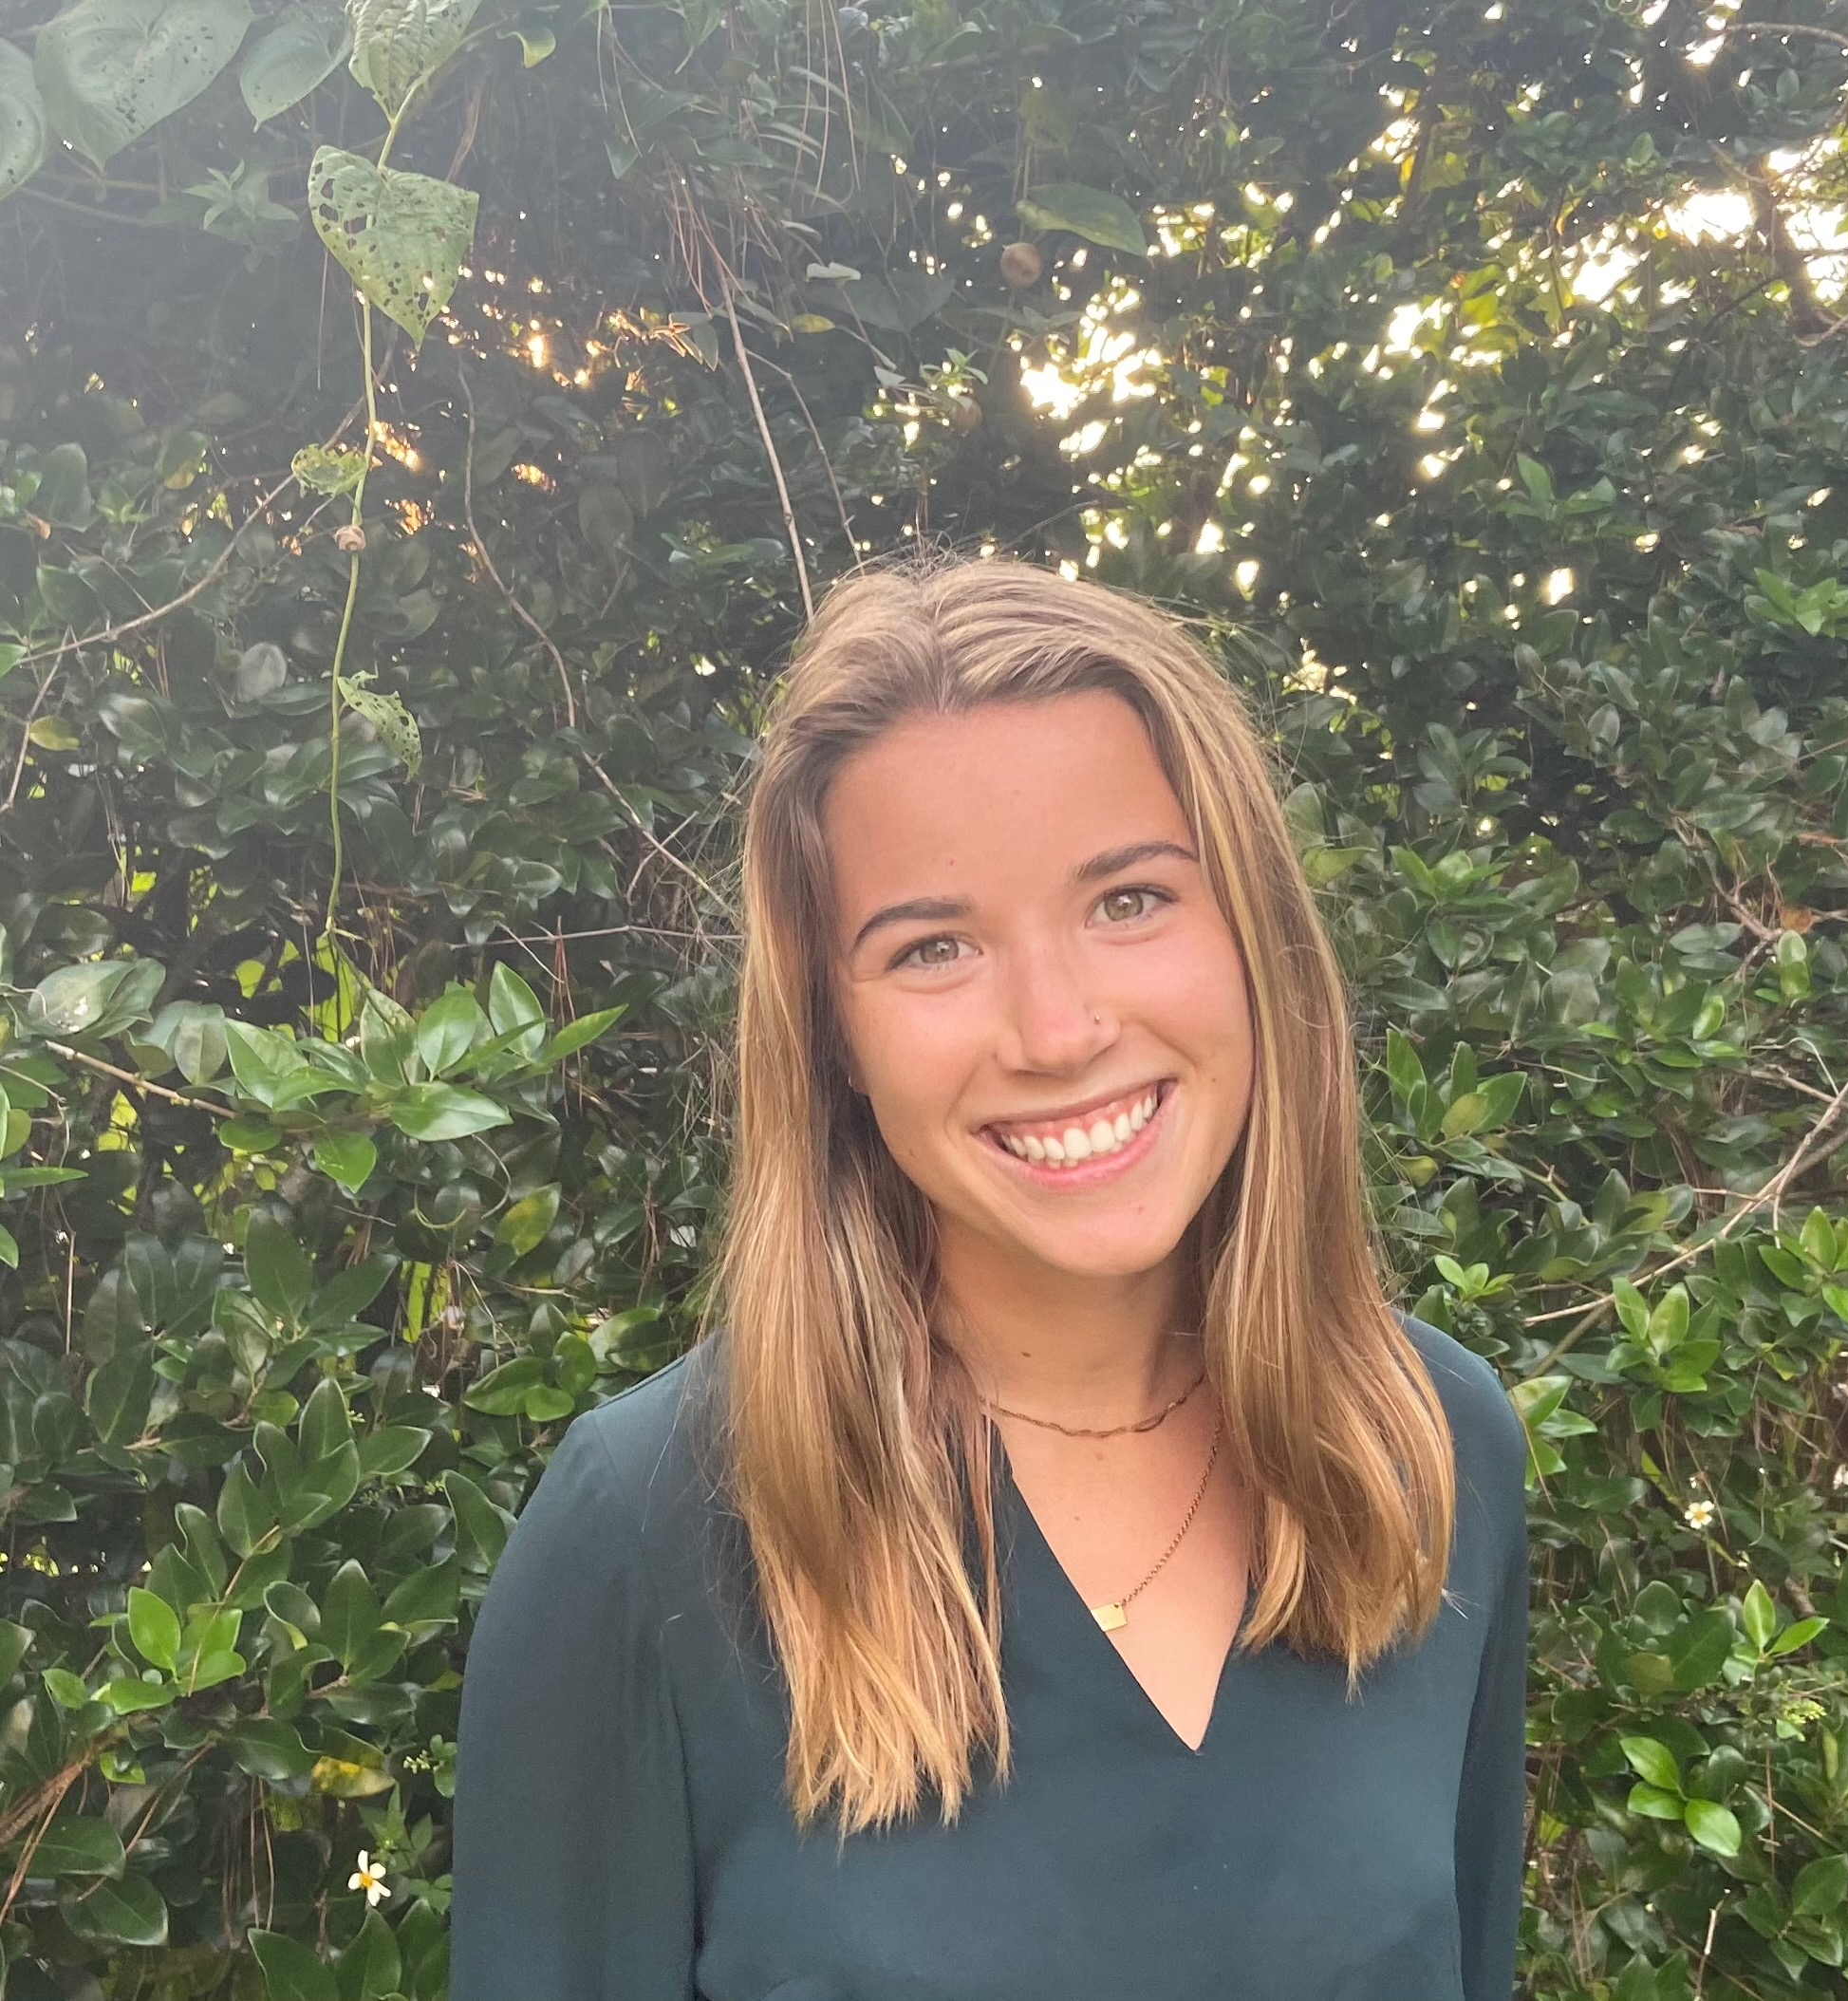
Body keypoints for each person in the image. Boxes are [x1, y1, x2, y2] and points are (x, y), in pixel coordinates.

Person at [447, 553, 1529, 2001]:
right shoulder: (649, 1538)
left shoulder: (1431, 1451)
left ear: (1256, 935)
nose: (1057, 1029)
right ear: (834, 1035)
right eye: (934, 947)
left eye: (1129, 900)